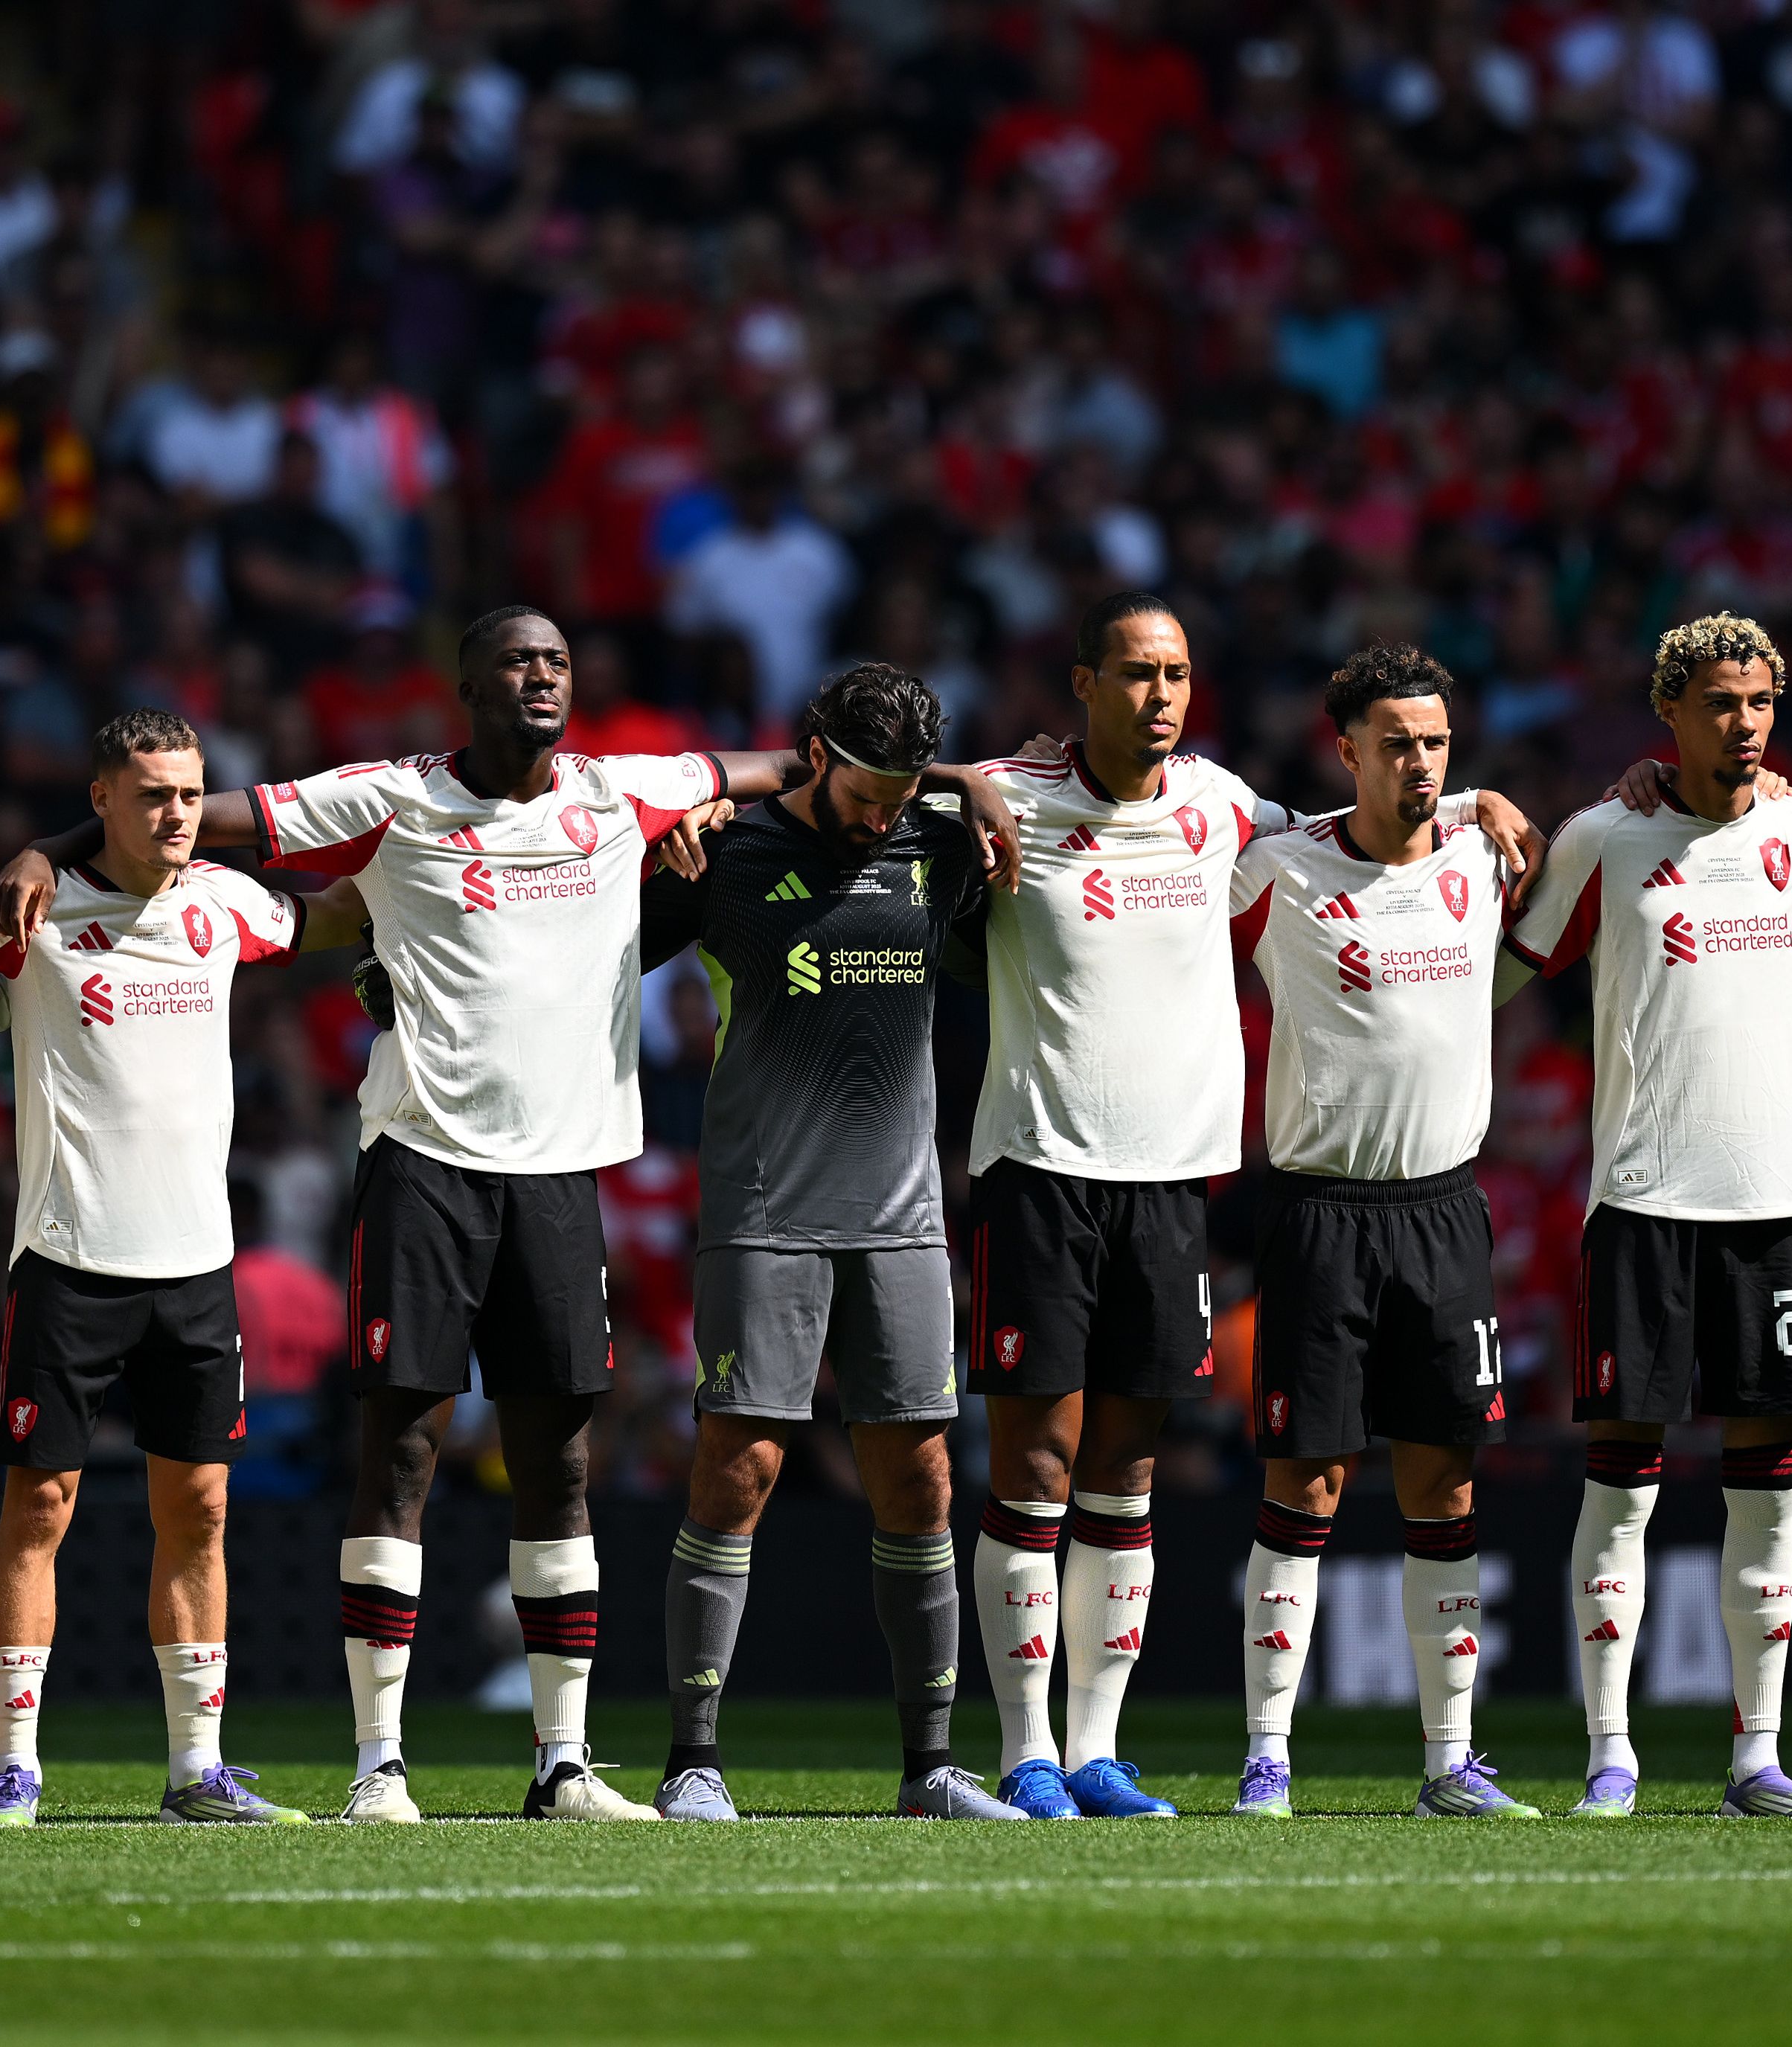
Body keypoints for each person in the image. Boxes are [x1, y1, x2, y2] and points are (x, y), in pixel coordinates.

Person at [11, 606, 1003, 1823]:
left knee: (560, 1464)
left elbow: (809, 763)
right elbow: (176, 819)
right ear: (468, 686)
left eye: (558, 662)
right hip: (424, 1160)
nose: (542, 675)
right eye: (518, 662)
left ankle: (564, 1764)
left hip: (562, 1170)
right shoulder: (388, 795)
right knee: (405, 1455)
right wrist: (45, 856)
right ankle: (380, 1766)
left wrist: (961, 783)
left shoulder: (618, 791)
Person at [956, 592, 1537, 1819]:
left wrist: (1482, 800)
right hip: (1043, 1168)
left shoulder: (1230, 818)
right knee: (1036, 1463)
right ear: (1082, 683)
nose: (1158, 694)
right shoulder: (1010, 798)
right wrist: (960, 776)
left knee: (1125, 1469)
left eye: (1173, 674)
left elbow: (1359, 826)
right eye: (1132, 673)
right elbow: (868, 793)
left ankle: (1097, 1753)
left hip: (1175, 1180)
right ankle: (1024, 1753)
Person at [625, 663, 1020, 1822]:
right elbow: (581, 952)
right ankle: (692, 1759)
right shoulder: (724, 859)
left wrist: (965, 789)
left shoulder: (942, 850)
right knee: (738, 1468)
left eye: (908, 787)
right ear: (812, 754)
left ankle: (931, 1769)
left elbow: (1063, 784)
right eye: (869, 784)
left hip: (901, 1220)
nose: (886, 810)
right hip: (763, 1211)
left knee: (923, 1479)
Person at [1491, 611, 1792, 1820]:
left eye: (1757, 702)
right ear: (1670, 714)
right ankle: (1612, 1754)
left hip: (1776, 1203)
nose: (1742, 724)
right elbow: (1502, 963)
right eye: (1716, 703)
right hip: (1644, 1201)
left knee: (1768, 1487)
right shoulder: (1603, 836)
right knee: (1625, 1487)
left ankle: (1757, 1756)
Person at [0, 711, 325, 1827]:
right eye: (152, 793)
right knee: (40, 1505)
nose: (176, 813)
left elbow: (330, 913)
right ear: (99, 797)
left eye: (191, 793)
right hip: (68, 1257)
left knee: (198, 1510)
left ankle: (196, 1772)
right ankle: (16, 1769)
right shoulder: (31, 908)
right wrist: (31, 856)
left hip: (198, 1265)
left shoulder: (224, 901)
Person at [1218, 644, 1533, 1822]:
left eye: (1436, 744)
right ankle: (1267, 1756)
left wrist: (1473, 804)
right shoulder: (1276, 874)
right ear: (1342, 747)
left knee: (1443, 1489)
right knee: (1304, 1485)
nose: (1418, 762)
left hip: (1443, 1213)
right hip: (1316, 1211)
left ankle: (1447, 1762)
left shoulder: (1485, 862)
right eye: (1394, 741)